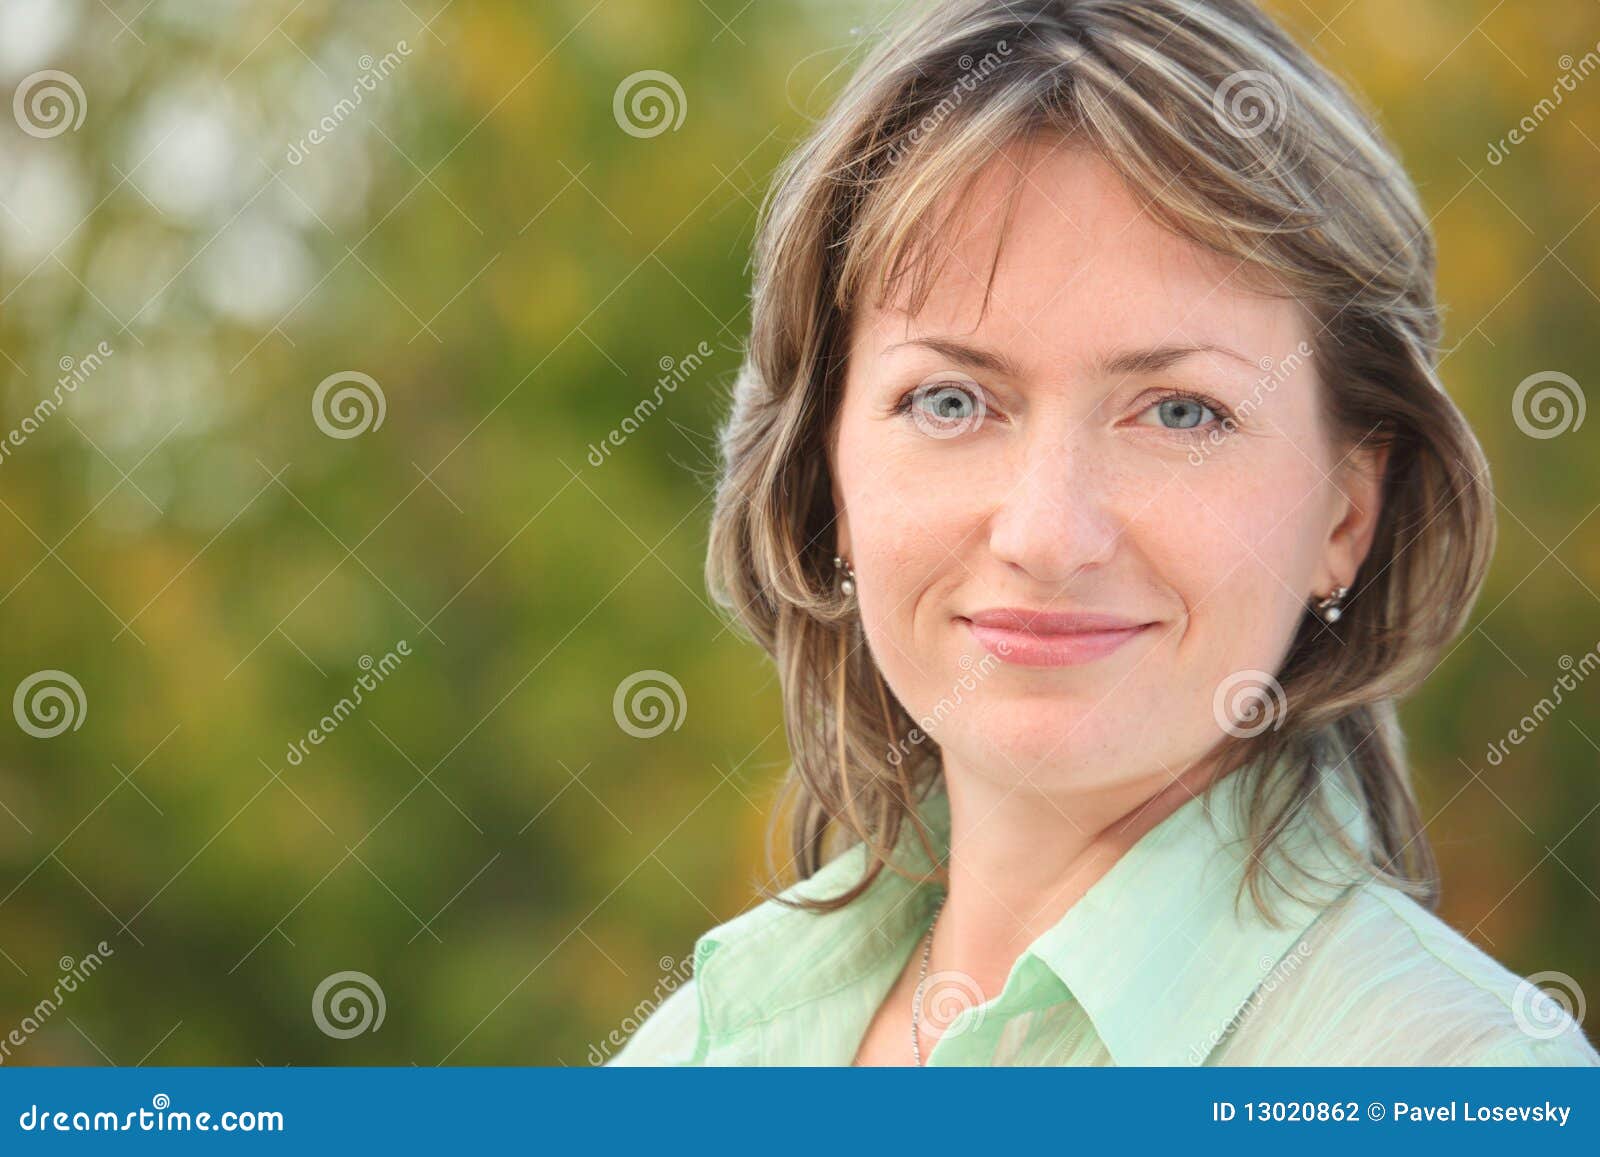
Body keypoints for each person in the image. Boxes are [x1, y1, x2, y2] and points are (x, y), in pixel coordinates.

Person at [610, 0, 1598, 1066]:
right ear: (825, 482)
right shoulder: (697, 1051)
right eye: (950, 401)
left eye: (1179, 412)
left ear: (1345, 514)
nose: (1046, 533)